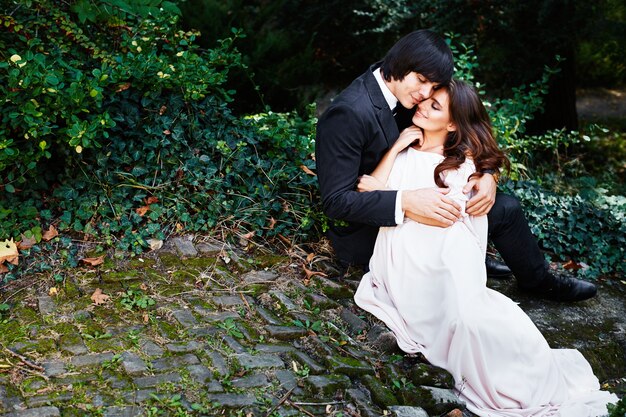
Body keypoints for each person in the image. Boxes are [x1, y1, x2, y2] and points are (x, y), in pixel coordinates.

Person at [353, 79, 617, 416]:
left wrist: (486, 174)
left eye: (435, 106)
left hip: (448, 251)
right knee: (456, 320)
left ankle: (521, 363)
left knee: (473, 319)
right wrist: (397, 147)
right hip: (406, 254)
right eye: (428, 99)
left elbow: (447, 208)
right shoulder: (404, 146)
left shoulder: (460, 162)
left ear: (451, 123)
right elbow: (368, 190)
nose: (422, 104)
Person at [315, 29, 596, 302]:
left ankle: (536, 280)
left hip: (426, 205)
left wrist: (488, 175)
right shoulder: (348, 113)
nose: (425, 95)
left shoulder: (410, 90)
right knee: (484, 214)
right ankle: (456, 261)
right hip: (373, 233)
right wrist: (406, 201)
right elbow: (336, 201)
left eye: (432, 86)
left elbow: (465, 127)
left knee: (504, 207)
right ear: (399, 63)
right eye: (421, 80)